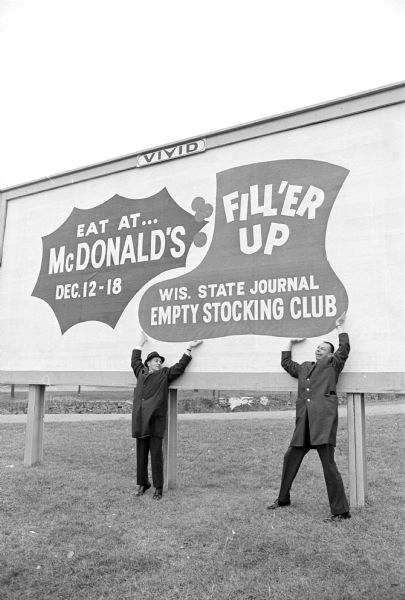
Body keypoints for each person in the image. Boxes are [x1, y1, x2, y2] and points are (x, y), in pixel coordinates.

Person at [268, 313, 351, 522]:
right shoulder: (304, 366)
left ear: (331, 354)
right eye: (317, 348)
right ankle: (283, 499)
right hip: (303, 424)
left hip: (322, 424)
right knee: (290, 458)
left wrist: (340, 328)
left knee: (329, 466)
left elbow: (345, 348)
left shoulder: (333, 364)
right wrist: (290, 342)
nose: (318, 350)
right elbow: (286, 363)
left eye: (323, 348)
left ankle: (341, 511)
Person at [131, 331, 203, 500]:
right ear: (148, 363)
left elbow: (180, 367)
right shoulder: (140, 372)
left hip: (155, 421)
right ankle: (143, 484)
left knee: (156, 455)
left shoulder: (164, 375)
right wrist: (140, 343)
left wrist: (189, 348)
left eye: (160, 361)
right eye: (156, 360)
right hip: (141, 421)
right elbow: (134, 359)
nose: (159, 363)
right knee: (141, 454)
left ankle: (158, 488)